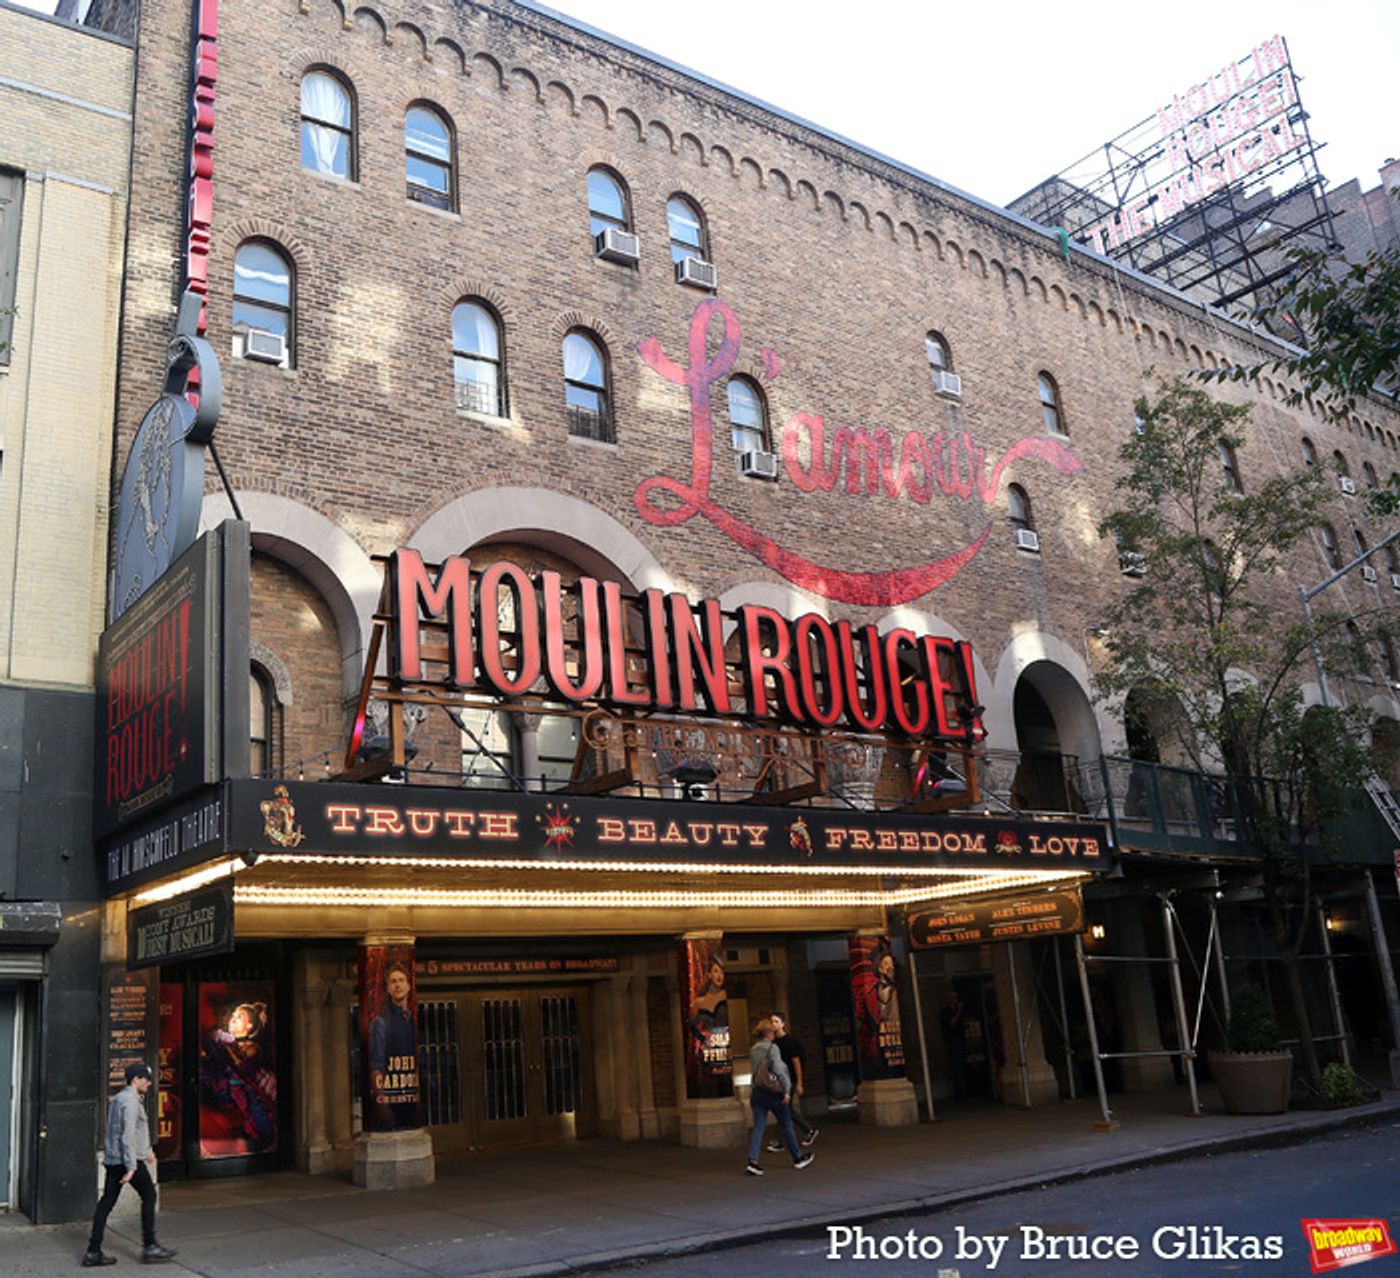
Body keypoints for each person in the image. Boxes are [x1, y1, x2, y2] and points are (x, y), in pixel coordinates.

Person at [84, 1062, 176, 1266]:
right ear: (136, 1079)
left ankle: (93, 1251)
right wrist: (132, 1167)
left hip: (115, 1160)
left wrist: (148, 1151)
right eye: (146, 1079)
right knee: (149, 1195)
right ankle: (150, 1246)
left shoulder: (120, 1099)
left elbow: (123, 1131)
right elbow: (127, 1136)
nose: (150, 1083)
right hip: (126, 1160)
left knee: (106, 1203)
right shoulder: (131, 1102)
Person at [200, 1001, 277, 1153]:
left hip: (247, 1096)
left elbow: (240, 1065)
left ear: (249, 1026)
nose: (233, 1019)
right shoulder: (219, 1039)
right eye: (233, 1015)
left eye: (239, 1017)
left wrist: (226, 1045)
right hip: (222, 1093)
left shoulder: (251, 1047)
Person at [745, 1017, 814, 1176]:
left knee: (759, 1127)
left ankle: (753, 1161)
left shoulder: (753, 1049)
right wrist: (787, 1090)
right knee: (786, 1124)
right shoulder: (773, 1048)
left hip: (758, 1093)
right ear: (770, 1033)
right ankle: (798, 1158)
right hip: (774, 1094)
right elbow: (779, 1070)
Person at [368, 961, 419, 1128]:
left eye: (401, 980)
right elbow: (376, 1066)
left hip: (410, 1095)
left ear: (409, 986)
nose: (398, 985)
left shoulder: (412, 1018)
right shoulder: (381, 1022)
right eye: (393, 981)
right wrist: (381, 1104)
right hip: (392, 1098)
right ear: (388, 988)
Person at [765, 1013, 818, 1152]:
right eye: (771, 1022)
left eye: (776, 1021)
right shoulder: (773, 1044)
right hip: (779, 1080)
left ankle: (780, 1140)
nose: (773, 1024)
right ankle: (806, 1131)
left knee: (783, 1107)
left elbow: (797, 1063)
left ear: (783, 1024)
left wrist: (799, 1083)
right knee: (784, 1108)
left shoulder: (790, 1042)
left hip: (790, 1079)